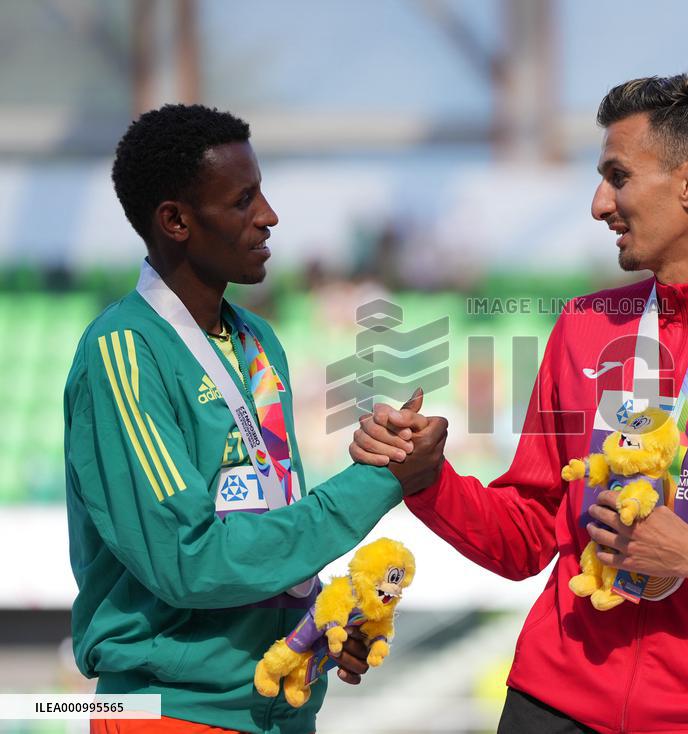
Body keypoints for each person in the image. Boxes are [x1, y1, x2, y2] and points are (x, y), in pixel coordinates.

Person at [351, 72, 688, 733]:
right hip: (550, 707)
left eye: (618, 176)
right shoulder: (583, 325)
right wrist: (426, 477)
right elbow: (528, 535)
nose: (598, 204)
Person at [64, 104, 445, 734]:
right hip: (170, 712)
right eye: (243, 200)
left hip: (282, 706)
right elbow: (187, 561)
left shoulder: (257, 341)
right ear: (176, 221)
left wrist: (319, 624)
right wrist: (380, 480)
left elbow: (262, 520)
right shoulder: (125, 350)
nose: (268, 216)